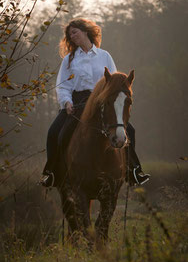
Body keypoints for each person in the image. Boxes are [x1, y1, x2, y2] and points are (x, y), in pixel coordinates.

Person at [41, 18, 150, 187]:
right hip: (76, 103)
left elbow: (114, 82)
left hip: (102, 101)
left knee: (130, 131)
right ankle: (52, 173)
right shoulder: (69, 60)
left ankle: (133, 171)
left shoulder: (104, 56)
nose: (72, 36)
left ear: (86, 32)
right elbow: (62, 85)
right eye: (70, 34)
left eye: (75, 32)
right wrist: (66, 102)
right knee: (55, 132)